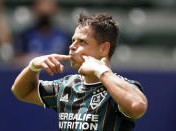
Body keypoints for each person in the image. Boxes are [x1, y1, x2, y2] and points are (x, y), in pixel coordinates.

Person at [12, 13, 148, 131]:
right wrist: (34, 66)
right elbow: (21, 92)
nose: (71, 46)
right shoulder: (66, 86)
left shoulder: (121, 87)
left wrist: (101, 71)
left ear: (104, 49)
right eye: (73, 40)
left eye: (82, 42)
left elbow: (137, 106)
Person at [14, 0, 70, 66]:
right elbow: (16, 60)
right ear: (34, 8)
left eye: (49, 5)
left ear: (56, 9)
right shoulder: (25, 36)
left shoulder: (65, 37)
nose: (45, 9)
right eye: (41, 5)